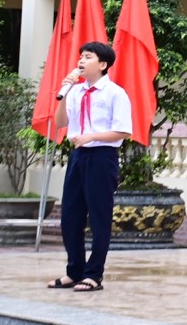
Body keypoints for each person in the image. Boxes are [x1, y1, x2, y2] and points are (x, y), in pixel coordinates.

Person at [45, 42, 132, 293]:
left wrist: (91, 137)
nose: (81, 61)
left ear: (103, 64)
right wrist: (64, 93)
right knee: (70, 216)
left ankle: (94, 275)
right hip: (78, 156)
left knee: (98, 217)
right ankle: (74, 271)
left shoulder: (115, 93)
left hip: (102, 157)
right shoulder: (75, 91)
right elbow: (60, 122)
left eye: (88, 57)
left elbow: (123, 130)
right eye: (81, 57)